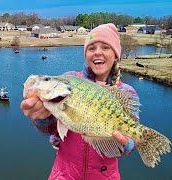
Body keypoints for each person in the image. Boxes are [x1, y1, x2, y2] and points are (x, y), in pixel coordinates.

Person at [20, 23, 139, 179]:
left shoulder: (127, 92)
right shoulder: (69, 79)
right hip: (64, 174)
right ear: (85, 55)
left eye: (105, 47)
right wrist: (42, 117)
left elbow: (131, 142)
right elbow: (51, 129)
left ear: (116, 54)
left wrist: (126, 144)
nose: (97, 52)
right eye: (91, 48)